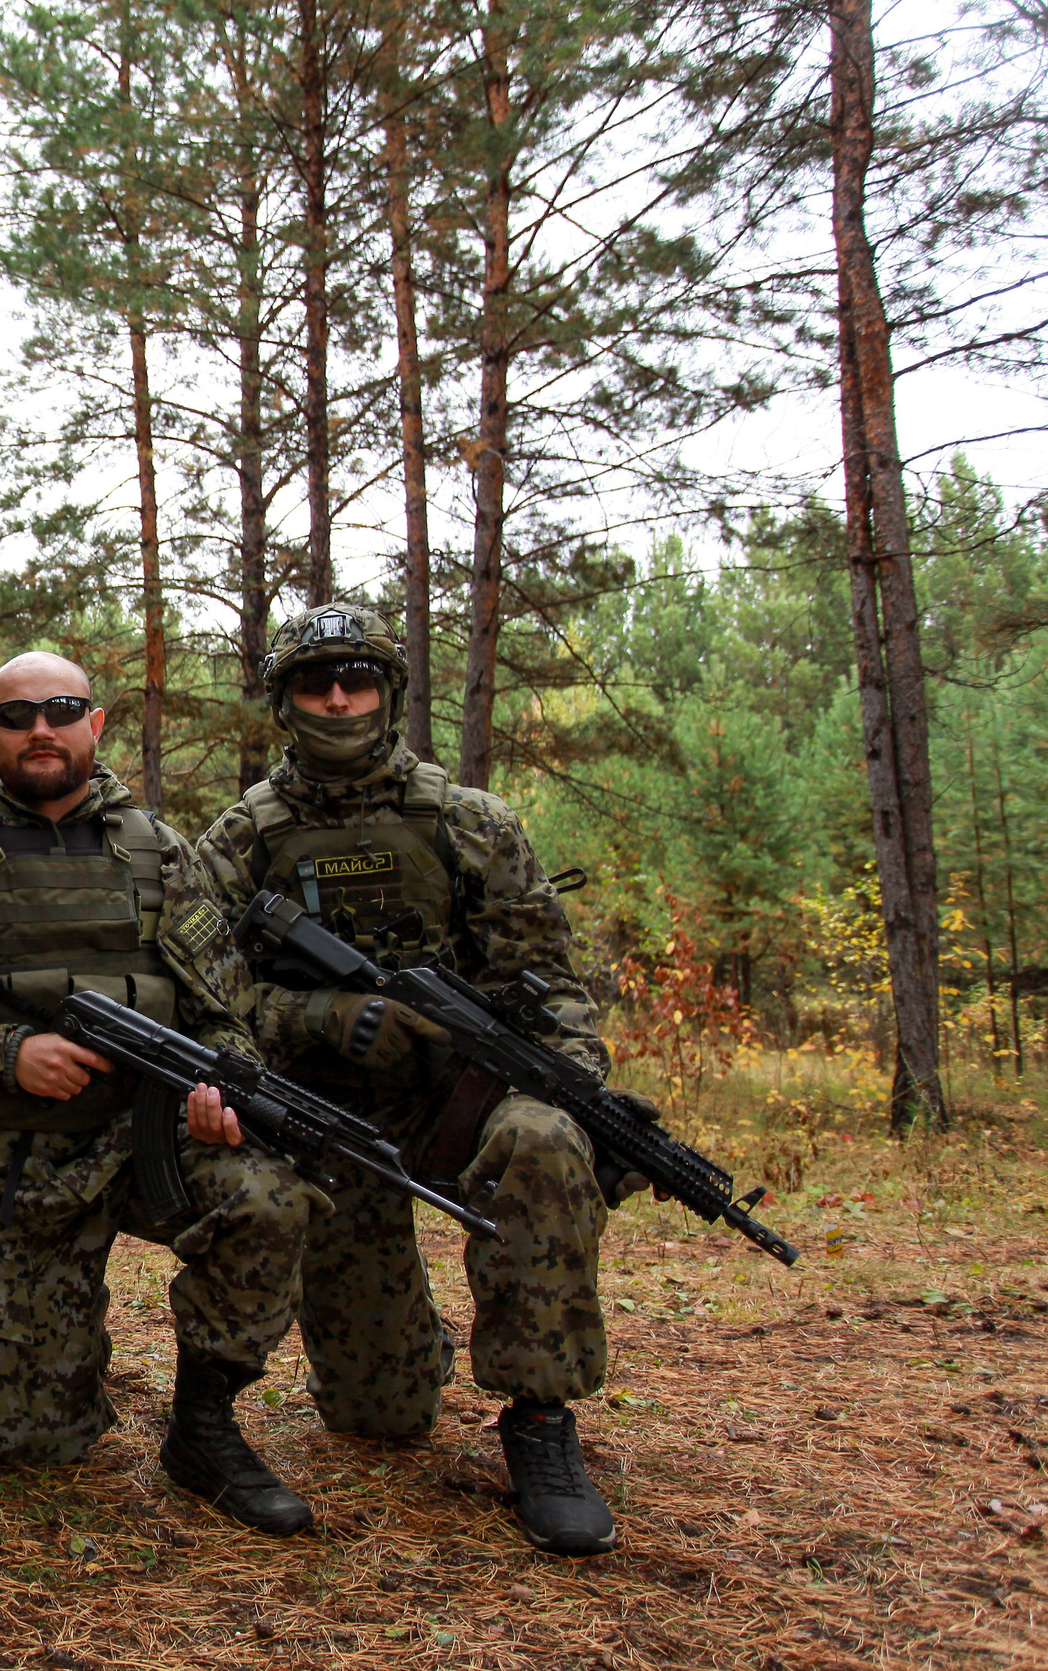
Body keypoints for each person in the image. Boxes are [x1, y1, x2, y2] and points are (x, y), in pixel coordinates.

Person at [190, 603, 644, 1557]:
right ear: (285, 700)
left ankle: (539, 1417)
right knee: (378, 1420)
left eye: (359, 677)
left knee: (548, 1136)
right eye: (317, 681)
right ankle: (410, 1346)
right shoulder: (240, 842)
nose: (339, 696)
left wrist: (578, 1081)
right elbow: (205, 1003)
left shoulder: (469, 822)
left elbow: (548, 981)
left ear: (390, 692)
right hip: (329, 1113)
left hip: (462, 1094)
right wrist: (324, 1019)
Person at [0, 652, 326, 1534]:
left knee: (268, 1197)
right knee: (28, 1446)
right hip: (16, 1170)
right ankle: (56, 1367)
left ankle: (205, 1425)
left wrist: (216, 1085)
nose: (41, 730)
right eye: (17, 716)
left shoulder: (162, 853)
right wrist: (4, 1052)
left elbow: (227, 1012)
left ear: (95, 726)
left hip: (155, 1147)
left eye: (61, 709)